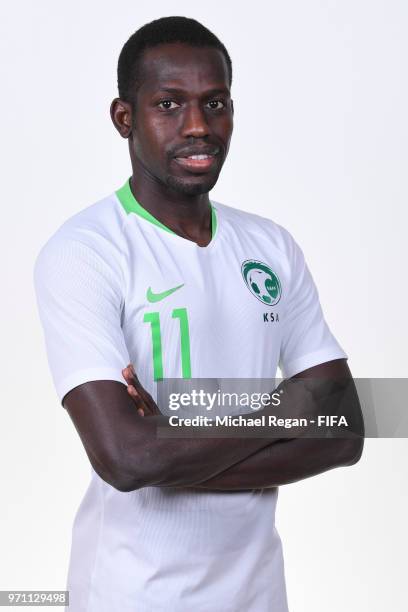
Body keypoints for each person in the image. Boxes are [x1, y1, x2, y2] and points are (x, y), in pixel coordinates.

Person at [34, 16, 364, 612]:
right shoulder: (85, 251)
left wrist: (173, 441)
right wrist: (287, 407)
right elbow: (125, 458)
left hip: (258, 594)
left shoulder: (271, 247)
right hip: (132, 594)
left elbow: (346, 432)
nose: (198, 126)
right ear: (124, 117)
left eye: (215, 103)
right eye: (169, 103)